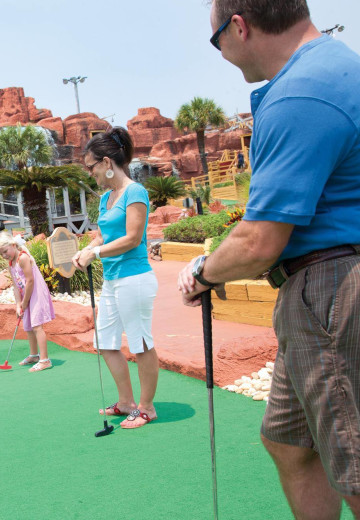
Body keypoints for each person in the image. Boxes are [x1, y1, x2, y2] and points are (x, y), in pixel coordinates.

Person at [178, 2, 360, 517]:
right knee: (289, 442)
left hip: (331, 287)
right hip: (318, 287)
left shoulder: (300, 93)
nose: (222, 53)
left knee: (354, 463)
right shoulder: (337, 65)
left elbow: (259, 240)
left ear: (239, 26)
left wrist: (202, 272)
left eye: (217, 41)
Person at [71, 127, 159, 429]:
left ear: (107, 163)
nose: (90, 173)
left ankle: (146, 408)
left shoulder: (135, 192)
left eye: (91, 166)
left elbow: (134, 238)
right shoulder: (107, 198)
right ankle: (125, 402)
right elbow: (102, 235)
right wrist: (88, 249)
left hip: (134, 279)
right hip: (112, 280)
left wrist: (96, 254)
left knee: (141, 344)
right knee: (106, 342)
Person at [0, 231, 55, 372]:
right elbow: (15, 285)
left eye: (5, 251)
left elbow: (30, 281)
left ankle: (45, 360)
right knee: (28, 325)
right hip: (26, 294)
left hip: (35, 293)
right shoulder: (11, 263)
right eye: (1, 254)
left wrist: (25, 301)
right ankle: (34, 355)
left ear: (13, 245)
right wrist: (18, 304)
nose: (4, 255)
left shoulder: (23, 258)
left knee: (37, 325)